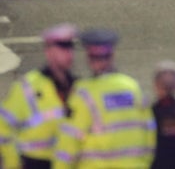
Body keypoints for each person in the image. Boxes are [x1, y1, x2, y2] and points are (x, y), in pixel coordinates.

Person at [53, 29, 156, 168]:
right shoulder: (132, 87)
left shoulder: (84, 92)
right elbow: (149, 129)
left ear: (89, 58)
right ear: (112, 56)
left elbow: (70, 138)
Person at [0, 24, 77, 169]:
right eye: (61, 49)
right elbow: (3, 128)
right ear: (48, 53)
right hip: (34, 163)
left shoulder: (78, 87)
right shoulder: (27, 87)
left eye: (69, 48)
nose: (67, 54)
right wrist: (12, 162)